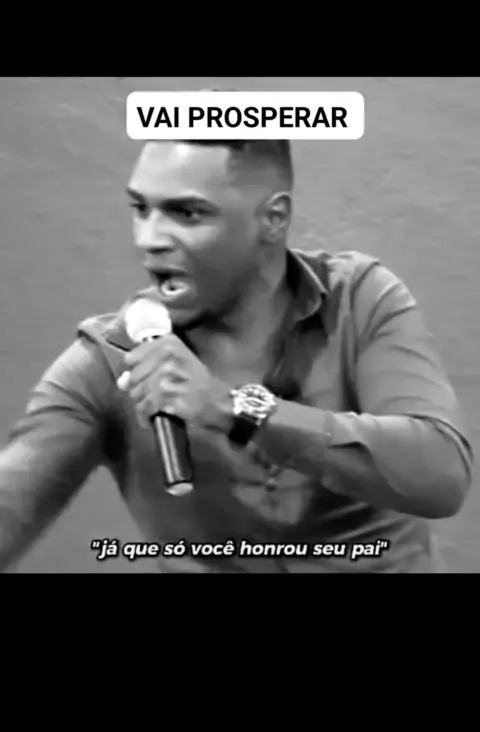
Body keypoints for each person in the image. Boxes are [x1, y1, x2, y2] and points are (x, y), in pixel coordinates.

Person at [0, 139, 474, 572]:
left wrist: (236, 410)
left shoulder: (358, 300)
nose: (149, 238)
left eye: (187, 213)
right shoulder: (108, 361)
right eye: (141, 209)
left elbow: (441, 475)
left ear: (273, 218)